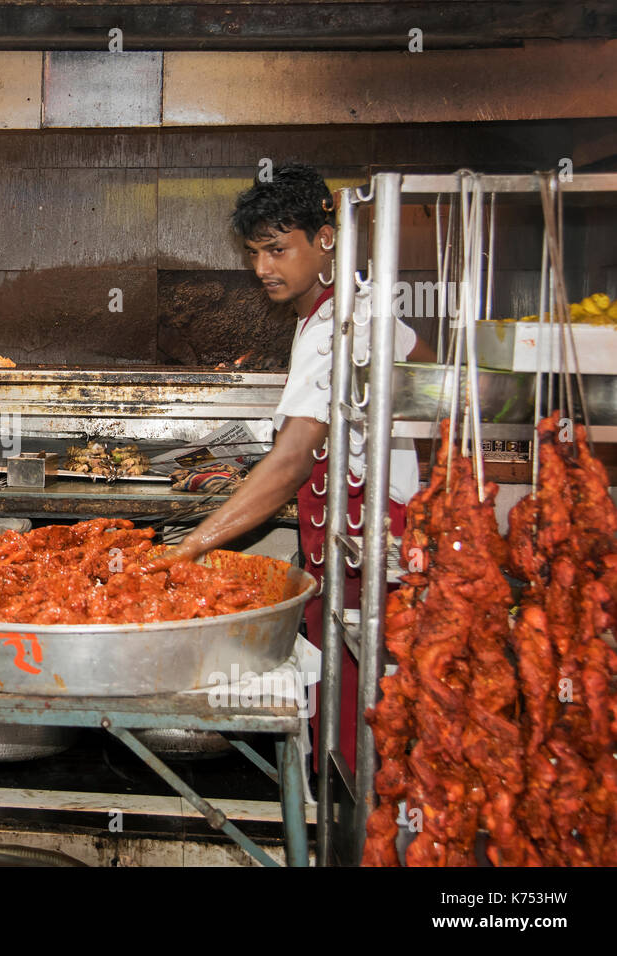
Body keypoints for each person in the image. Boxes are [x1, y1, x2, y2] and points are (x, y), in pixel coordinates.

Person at [149, 164, 436, 771]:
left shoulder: (340, 323)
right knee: (352, 712)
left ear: (325, 238)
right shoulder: (342, 311)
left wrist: (192, 546)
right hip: (353, 548)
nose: (263, 269)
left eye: (278, 250)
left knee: (361, 725)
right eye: (254, 253)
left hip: (370, 554)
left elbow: (294, 458)